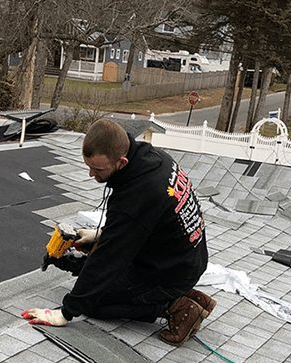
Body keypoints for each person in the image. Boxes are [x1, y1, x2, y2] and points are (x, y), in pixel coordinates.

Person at [22, 118, 215, 347]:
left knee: (95, 302)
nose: (91, 174)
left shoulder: (140, 192)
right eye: (89, 166)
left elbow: (107, 260)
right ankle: (178, 293)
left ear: (122, 162)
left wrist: (64, 313)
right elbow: (145, 222)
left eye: (98, 169)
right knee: (94, 275)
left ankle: (176, 305)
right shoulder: (154, 159)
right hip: (178, 258)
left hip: (170, 271)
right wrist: (99, 235)